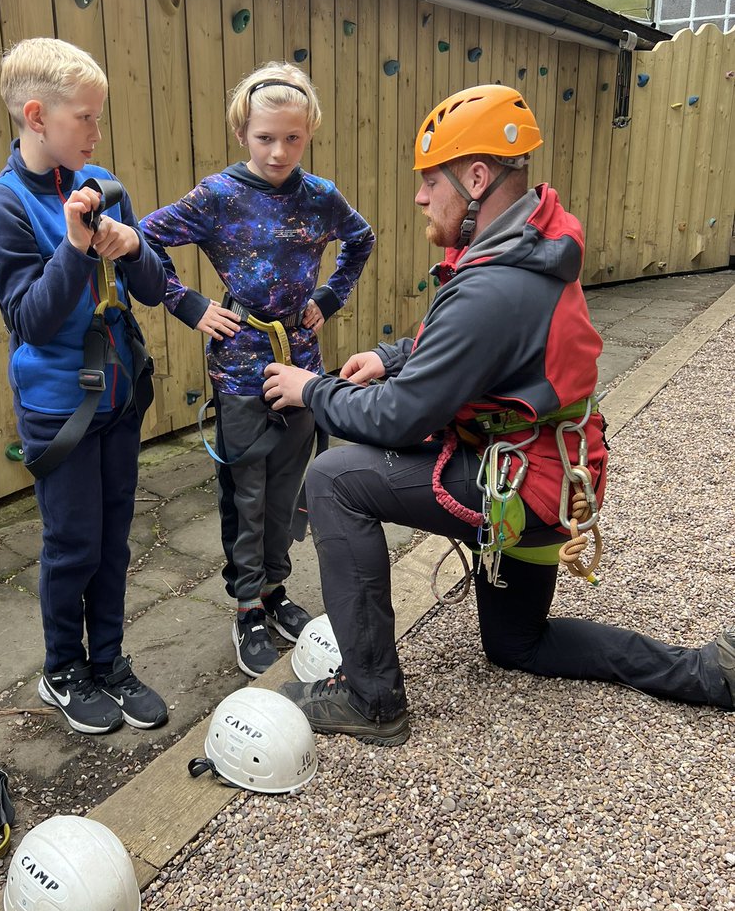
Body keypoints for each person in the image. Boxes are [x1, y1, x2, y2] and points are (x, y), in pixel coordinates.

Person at [263, 83, 735, 745]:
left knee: (333, 481)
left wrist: (312, 388)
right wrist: (389, 354)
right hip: (553, 479)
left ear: (476, 177)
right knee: (518, 643)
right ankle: (705, 673)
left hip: (519, 486)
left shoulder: (493, 286)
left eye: (431, 181)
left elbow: (397, 419)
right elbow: (468, 348)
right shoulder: (528, 245)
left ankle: (371, 700)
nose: (422, 197)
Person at [141, 62, 375, 677]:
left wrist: (327, 300)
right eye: (266, 137)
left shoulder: (321, 198)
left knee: (286, 491)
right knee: (245, 493)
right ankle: (246, 604)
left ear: (309, 133)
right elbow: (144, 240)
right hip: (241, 370)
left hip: (300, 368)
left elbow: (361, 239)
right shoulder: (219, 196)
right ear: (243, 130)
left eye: (292, 138)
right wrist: (189, 305)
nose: (278, 150)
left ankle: (275, 590)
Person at [0, 37, 169, 736]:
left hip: (117, 398)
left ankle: (109, 661)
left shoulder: (101, 183)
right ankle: (63, 668)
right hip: (60, 410)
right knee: (74, 543)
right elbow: (30, 317)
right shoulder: (1, 206)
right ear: (36, 116)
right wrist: (76, 247)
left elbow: (153, 285)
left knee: (115, 537)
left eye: (96, 118)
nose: (95, 131)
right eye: (84, 118)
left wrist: (133, 245)